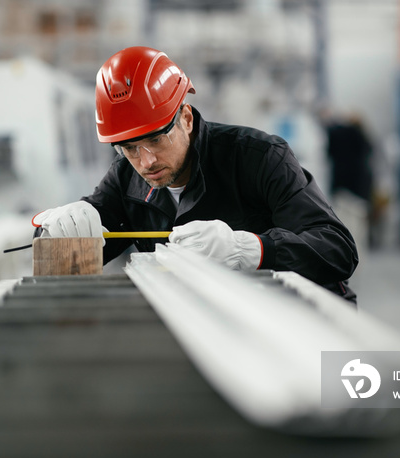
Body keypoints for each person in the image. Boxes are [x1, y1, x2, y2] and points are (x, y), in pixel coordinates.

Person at [32, 46, 358, 303]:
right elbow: (66, 263)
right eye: (129, 148)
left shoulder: (258, 157)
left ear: (186, 118)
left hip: (299, 323)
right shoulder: (125, 179)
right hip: (211, 325)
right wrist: (58, 235)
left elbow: (338, 250)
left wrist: (251, 249)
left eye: (156, 140)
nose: (145, 161)